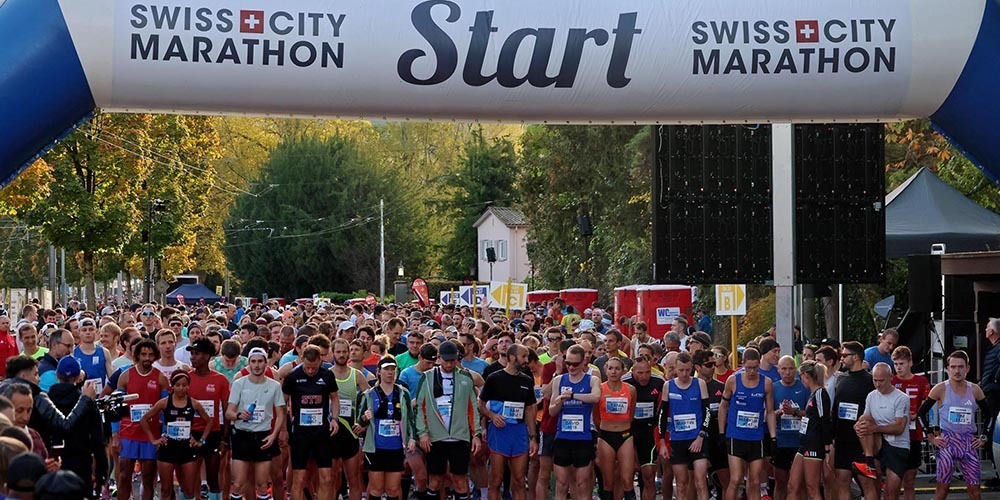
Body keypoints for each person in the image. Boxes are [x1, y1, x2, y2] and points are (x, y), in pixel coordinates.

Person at [918, 350, 990, 500]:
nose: (957, 371)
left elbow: (989, 414)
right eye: (953, 367)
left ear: (967, 368)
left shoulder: (974, 389)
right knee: (942, 489)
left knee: (975, 491)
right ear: (948, 368)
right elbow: (921, 414)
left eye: (961, 367)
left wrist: (984, 436)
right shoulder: (940, 388)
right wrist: (931, 438)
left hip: (968, 442)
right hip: (947, 442)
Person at [415, 340, 482, 500]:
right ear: (439, 358)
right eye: (446, 360)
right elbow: (420, 407)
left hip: (460, 436)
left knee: (460, 480)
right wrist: (423, 433)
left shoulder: (465, 377)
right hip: (435, 436)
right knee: (435, 480)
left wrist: (476, 434)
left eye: (453, 360)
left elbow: (473, 407)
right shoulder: (427, 377)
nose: (450, 364)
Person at [138, 370, 214, 500]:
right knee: (166, 490)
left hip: (187, 448)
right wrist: (154, 440)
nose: (181, 388)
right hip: (168, 448)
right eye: (177, 385)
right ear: (172, 386)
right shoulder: (164, 402)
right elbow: (144, 419)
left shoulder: (194, 403)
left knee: (189, 490)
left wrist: (201, 441)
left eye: (184, 385)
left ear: (188, 386)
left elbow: (209, 422)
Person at [225, 347, 286, 500]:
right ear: (249, 364)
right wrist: (238, 415)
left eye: (260, 361)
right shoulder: (239, 383)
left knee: (262, 485)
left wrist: (274, 435)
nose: (257, 365)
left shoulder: (274, 386)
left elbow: (281, 413)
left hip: (263, 437)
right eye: (253, 361)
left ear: (266, 363)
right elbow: (229, 412)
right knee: (238, 484)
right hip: (242, 436)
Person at [478, 344, 538, 500]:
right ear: (512, 357)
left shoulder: (526, 380)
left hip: (519, 432)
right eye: (523, 356)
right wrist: (492, 416)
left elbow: (529, 410)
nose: (527, 360)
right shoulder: (494, 378)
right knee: (496, 480)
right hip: (499, 431)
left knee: (519, 480)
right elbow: (480, 405)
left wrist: (533, 437)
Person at [281, 344, 339, 500]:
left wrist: (335, 419)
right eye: (307, 367)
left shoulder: (327, 375)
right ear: (302, 359)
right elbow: (282, 403)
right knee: (299, 478)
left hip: (322, 432)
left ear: (320, 361)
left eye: (314, 368)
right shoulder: (293, 376)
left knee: (326, 478)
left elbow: (334, 397)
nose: (311, 371)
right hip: (300, 433)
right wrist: (284, 429)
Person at [354, 357, 417, 500]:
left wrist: (412, 438)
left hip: (396, 447)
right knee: (376, 489)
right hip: (376, 448)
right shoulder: (369, 394)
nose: (390, 372)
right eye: (386, 369)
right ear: (378, 372)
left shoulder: (403, 393)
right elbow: (359, 423)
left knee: (393, 489)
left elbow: (410, 418)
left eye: (392, 369)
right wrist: (364, 418)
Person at [718, 347, 777, 500]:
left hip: (756, 437)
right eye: (749, 367)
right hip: (736, 435)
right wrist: (721, 432)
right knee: (736, 478)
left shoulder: (766, 383)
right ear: (743, 364)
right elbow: (723, 406)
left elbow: (770, 411)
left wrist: (773, 437)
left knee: (755, 480)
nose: (752, 371)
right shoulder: (733, 380)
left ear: (759, 364)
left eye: (755, 368)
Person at [116, 339, 169, 500]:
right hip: (128, 433)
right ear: (137, 355)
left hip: (151, 434)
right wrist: (114, 434)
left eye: (151, 355)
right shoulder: (125, 376)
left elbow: (165, 410)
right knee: (124, 476)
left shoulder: (160, 378)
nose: (147, 358)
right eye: (143, 354)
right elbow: (116, 409)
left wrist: (164, 433)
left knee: (148, 478)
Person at [45, 356, 106, 495]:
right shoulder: (87, 403)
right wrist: (101, 475)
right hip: (81, 466)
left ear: (57, 375)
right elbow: (98, 441)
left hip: (53, 464)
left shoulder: (47, 400)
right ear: (78, 377)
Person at [548, 345, 600, 500]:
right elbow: (552, 411)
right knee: (561, 483)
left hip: (583, 438)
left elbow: (596, 397)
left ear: (583, 362)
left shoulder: (592, 380)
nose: (571, 367)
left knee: (582, 483)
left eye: (575, 364)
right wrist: (559, 401)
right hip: (563, 437)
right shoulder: (559, 380)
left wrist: (572, 396)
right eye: (568, 363)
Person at [852, 363, 909, 500]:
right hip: (877, 443)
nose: (878, 384)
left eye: (881, 381)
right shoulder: (871, 396)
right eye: (875, 380)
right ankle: (869, 461)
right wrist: (858, 425)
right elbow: (865, 416)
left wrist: (875, 428)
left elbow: (899, 428)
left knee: (891, 492)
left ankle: (870, 461)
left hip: (897, 445)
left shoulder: (901, 398)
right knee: (864, 423)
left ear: (890, 377)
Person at [660, 352, 710, 500]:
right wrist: (662, 442)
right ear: (675, 368)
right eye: (681, 370)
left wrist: (701, 436)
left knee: (700, 482)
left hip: (697, 438)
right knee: (681, 483)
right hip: (678, 439)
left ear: (692, 368)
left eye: (688, 370)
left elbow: (707, 412)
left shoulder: (699, 384)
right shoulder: (668, 386)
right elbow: (662, 415)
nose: (684, 374)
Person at [832, 341, 878, 500]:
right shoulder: (841, 379)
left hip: (862, 441)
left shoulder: (870, 380)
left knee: (867, 483)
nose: (841, 358)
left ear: (856, 357)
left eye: (845, 355)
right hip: (842, 439)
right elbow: (836, 408)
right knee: (842, 481)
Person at [185, 338, 230, 500]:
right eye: (191, 354)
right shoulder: (186, 379)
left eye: (196, 354)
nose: (192, 357)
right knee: (190, 478)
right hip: (190, 433)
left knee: (213, 478)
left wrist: (225, 438)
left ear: (207, 356)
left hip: (213, 433)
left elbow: (226, 410)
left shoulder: (220, 380)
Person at [786, 361, 833, 500]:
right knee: (792, 485)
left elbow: (825, 420)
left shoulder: (820, 393)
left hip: (814, 444)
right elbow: (811, 415)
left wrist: (827, 449)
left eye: (800, 376)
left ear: (806, 375)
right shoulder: (813, 394)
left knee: (812, 488)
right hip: (804, 443)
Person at [890, 345, 930, 500]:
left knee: (909, 480)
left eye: (902, 364)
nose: (898, 367)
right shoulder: (891, 380)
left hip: (914, 434)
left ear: (910, 363)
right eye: (896, 364)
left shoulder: (921, 381)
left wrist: (917, 413)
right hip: (893, 434)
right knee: (893, 482)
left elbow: (927, 402)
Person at [625, 355, 666, 500]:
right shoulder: (624, 382)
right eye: (640, 373)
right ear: (633, 371)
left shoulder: (659, 381)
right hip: (628, 432)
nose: (644, 376)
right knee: (626, 476)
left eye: (647, 372)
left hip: (649, 431)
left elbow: (664, 407)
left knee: (649, 476)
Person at [330, 338, 366, 500]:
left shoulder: (356, 375)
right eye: (338, 352)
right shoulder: (327, 375)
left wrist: (363, 423)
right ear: (333, 353)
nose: (342, 355)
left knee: (354, 479)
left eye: (345, 351)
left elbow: (371, 399)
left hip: (351, 433)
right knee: (331, 479)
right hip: (331, 433)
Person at [771, 355, 809, 500]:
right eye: (784, 369)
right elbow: (767, 415)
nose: (787, 372)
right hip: (781, 441)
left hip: (800, 441)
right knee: (780, 481)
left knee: (801, 483)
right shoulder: (774, 387)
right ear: (779, 370)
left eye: (791, 368)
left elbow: (811, 413)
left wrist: (794, 412)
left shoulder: (804, 387)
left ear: (796, 369)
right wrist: (780, 412)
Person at [692, 349, 728, 500]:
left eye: (714, 364)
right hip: (697, 439)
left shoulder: (721, 386)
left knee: (726, 481)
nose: (713, 367)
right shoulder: (691, 386)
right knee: (696, 483)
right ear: (697, 367)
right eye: (708, 365)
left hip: (717, 437)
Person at [980, 317, 1000, 487]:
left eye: (987, 327)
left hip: (995, 397)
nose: (985, 330)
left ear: (992, 331)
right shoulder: (994, 349)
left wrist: (992, 384)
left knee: (992, 433)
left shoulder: (998, 349)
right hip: (991, 395)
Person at [73, 318, 113, 394]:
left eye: (91, 329)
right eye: (84, 330)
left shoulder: (104, 352)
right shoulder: (73, 353)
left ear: (96, 331)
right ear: (79, 332)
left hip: (100, 396)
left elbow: (111, 379)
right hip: (79, 397)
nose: (88, 332)